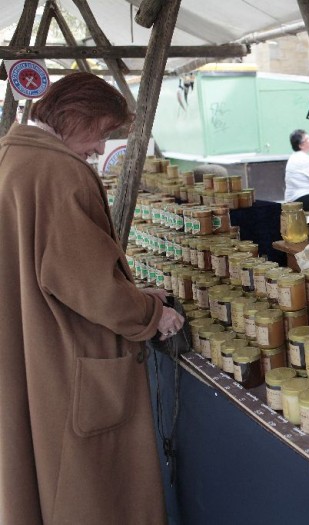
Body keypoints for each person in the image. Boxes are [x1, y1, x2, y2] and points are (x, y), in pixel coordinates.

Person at [0, 72, 184, 524]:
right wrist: (149, 313)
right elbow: (90, 285)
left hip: (29, 345)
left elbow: (49, 265)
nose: (101, 148)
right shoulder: (60, 171)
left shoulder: (11, 156)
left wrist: (129, 291)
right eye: (101, 132)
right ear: (74, 115)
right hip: (64, 360)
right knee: (90, 494)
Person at [284, 129, 309, 211]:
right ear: (301, 145)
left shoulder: (293, 157)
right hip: (304, 200)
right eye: (308, 139)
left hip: (291, 200)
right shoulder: (307, 159)